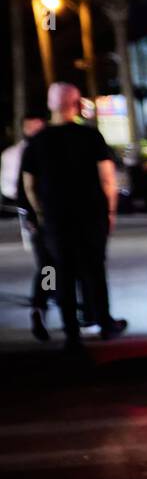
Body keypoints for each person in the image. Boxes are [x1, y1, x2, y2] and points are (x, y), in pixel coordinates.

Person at [20, 83, 127, 351]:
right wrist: (110, 211)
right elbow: (107, 178)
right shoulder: (90, 137)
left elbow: (29, 183)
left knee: (62, 273)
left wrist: (41, 213)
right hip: (91, 215)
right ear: (76, 104)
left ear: (49, 104)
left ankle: (71, 334)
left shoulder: (37, 142)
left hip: (56, 219)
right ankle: (104, 322)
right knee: (94, 269)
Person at [2, 113, 54, 340]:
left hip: (41, 218)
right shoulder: (27, 153)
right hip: (46, 219)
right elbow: (21, 190)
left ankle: (43, 305)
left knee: (48, 266)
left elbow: (18, 190)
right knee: (51, 265)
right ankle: (43, 304)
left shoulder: (29, 152)